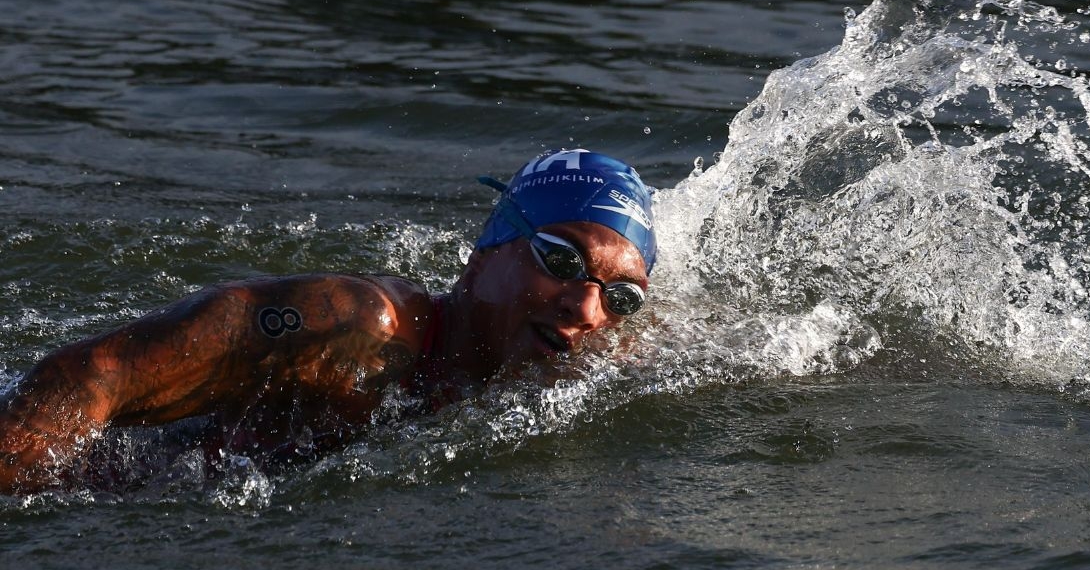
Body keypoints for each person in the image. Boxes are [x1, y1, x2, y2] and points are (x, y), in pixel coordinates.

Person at [0, 149, 657, 494]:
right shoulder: (360, 327)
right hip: (85, 480)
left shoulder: (578, 368)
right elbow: (96, 374)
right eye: (560, 259)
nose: (585, 305)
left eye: (621, 295)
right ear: (488, 249)